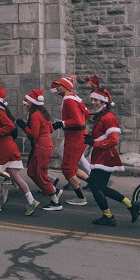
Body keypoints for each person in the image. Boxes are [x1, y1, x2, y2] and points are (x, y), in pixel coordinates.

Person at [82, 78, 140, 225]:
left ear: (104, 102)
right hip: (101, 156)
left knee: (95, 187)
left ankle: (109, 217)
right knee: (101, 187)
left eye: (96, 100)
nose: (93, 102)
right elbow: (102, 135)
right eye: (92, 99)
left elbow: (114, 140)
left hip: (105, 157)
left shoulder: (108, 118)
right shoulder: (101, 116)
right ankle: (131, 205)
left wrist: (94, 142)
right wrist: (90, 138)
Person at [0, 88, 40, 216]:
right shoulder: (1, 110)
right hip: (9, 145)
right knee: (14, 175)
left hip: (4, 146)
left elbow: (10, 126)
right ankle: (31, 200)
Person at [51, 75, 91, 205]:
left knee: (67, 168)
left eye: (59, 86)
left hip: (75, 137)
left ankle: (81, 198)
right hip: (77, 136)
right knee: (71, 167)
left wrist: (61, 123)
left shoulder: (69, 100)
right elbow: (87, 115)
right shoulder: (74, 98)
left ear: (66, 87)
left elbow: (77, 121)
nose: (57, 88)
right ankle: (95, 184)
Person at [17, 89, 59, 207]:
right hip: (45, 144)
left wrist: (24, 126)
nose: (26, 105)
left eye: (27, 103)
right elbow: (50, 129)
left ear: (31, 103)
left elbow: (34, 134)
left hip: (42, 146)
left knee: (40, 174)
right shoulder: (43, 113)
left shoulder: (35, 115)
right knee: (31, 171)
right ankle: (52, 191)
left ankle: (55, 200)